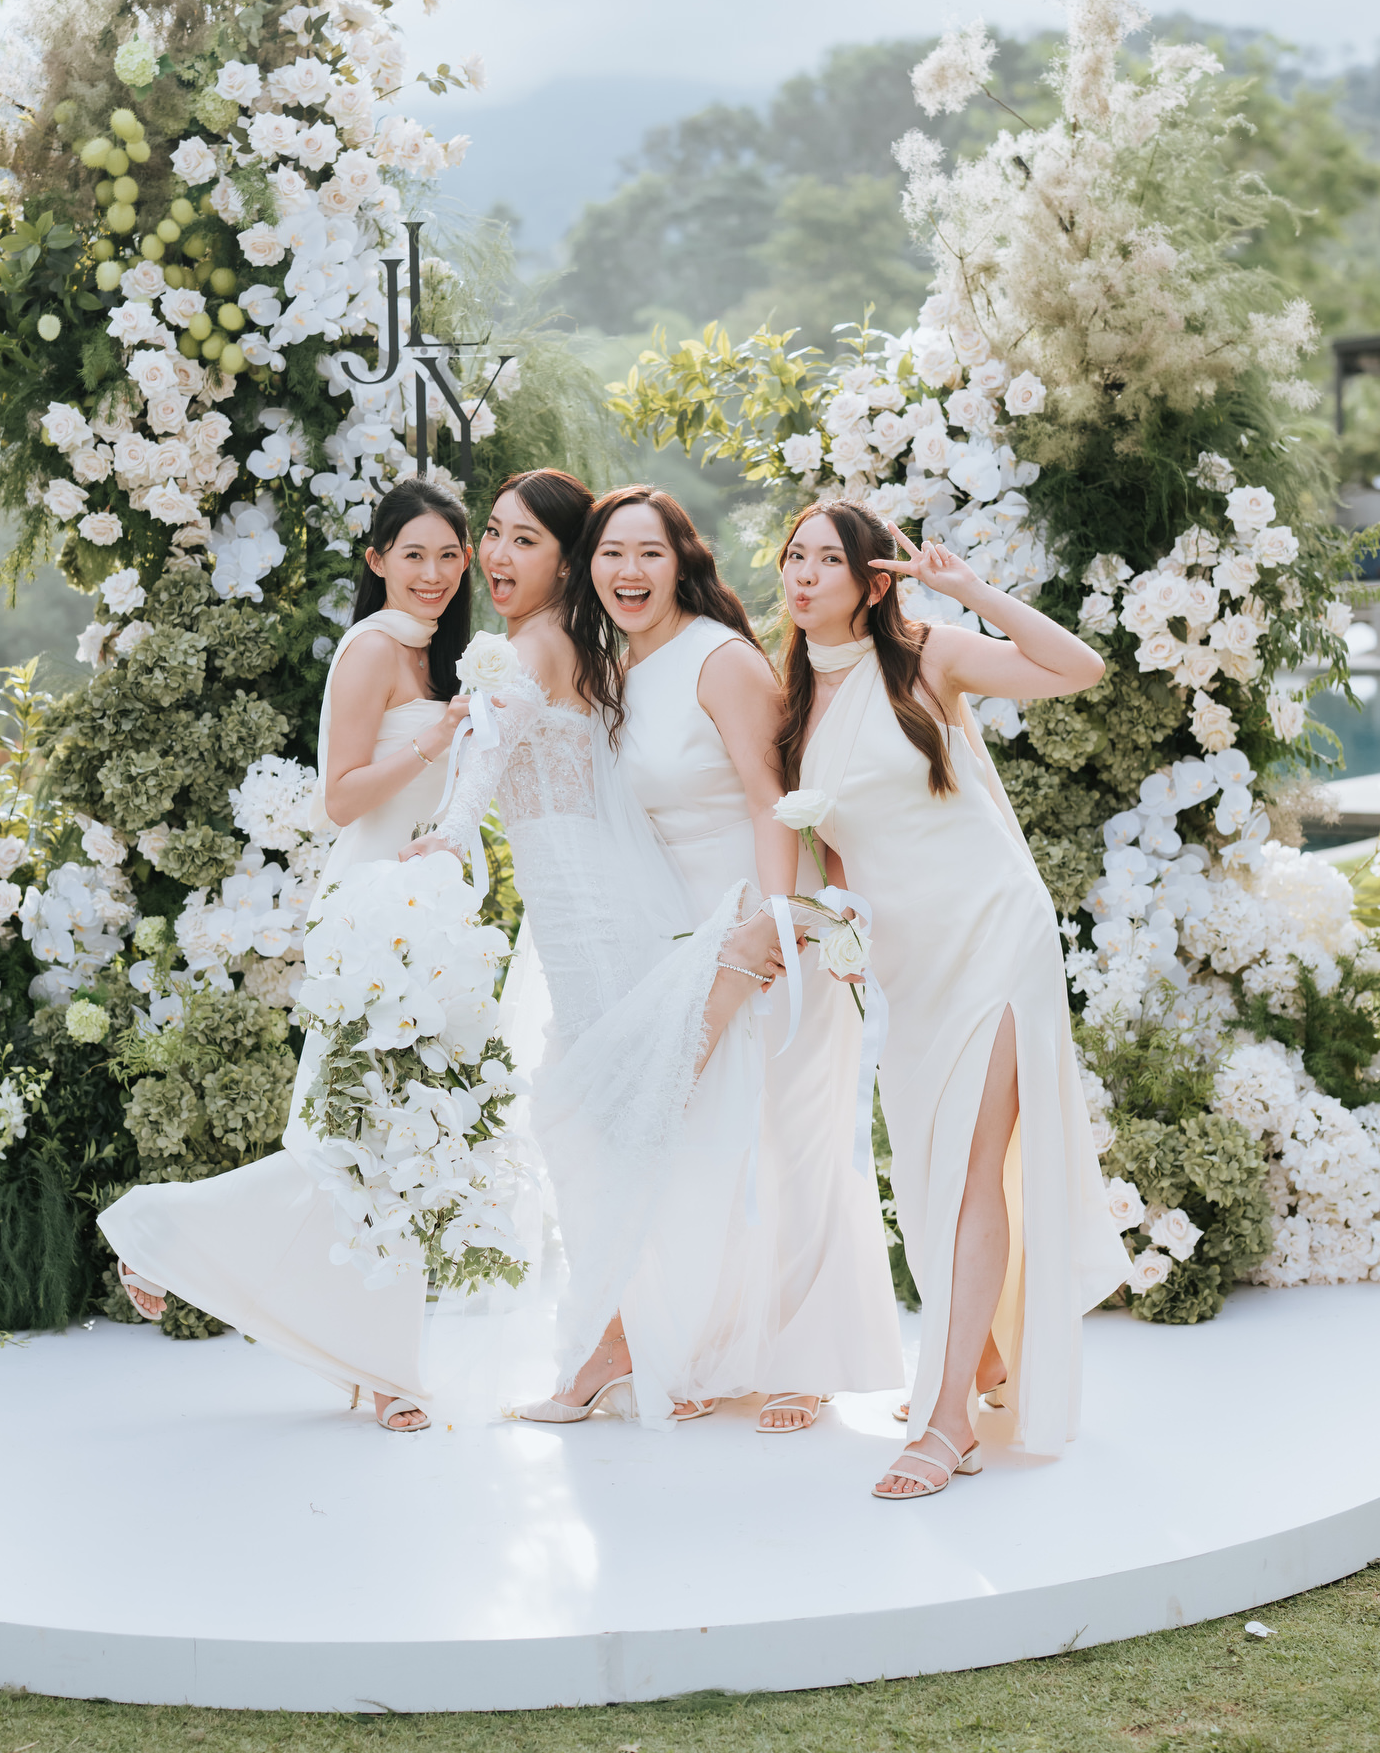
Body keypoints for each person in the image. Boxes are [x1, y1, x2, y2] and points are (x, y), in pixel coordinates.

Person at [404, 469, 794, 1428]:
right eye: (494, 533)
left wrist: (449, 836)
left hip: (594, 908)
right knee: (598, 1119)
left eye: (525, 539)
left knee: (598, 1117)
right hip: (581, 907)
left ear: (563, 561)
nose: (497, 554)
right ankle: (629, 1340)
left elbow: (486, 755)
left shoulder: (537, 648)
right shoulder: (595, 648)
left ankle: (620, 1347)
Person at [98, 477, 474, 1433]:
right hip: (368, 911)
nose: (433, 573)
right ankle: (163, 1228)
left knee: (391, 1138)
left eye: (448, 555)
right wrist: (436, 742)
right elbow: (339, 799)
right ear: (377, 560)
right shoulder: (374, 648)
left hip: (421, 912)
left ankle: (372, 1361)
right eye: (414, 555)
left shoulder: (440, 655)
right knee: (355, 1136)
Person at [776, 500, 1130, 1497]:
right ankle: (980, 1358)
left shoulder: (928, 655)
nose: (803, 575)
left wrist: (971, 592)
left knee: (971, 1168)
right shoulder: (791, 698)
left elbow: (1077, 669)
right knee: (927, 1171)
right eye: (794, 557)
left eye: (827, 560)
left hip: (992, 932)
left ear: (871, 581)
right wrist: (839, 931)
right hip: (905, 964)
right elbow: (833, 845)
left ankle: (946, 1424)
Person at [567, 485, 904, 1433]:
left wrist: (773, 923)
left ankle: (811, 1361)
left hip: (768, 918)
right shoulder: (622, 669)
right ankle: (716, 1344)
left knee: (797, 1139)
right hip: (685, 936)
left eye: (650, 552)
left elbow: (775, 799)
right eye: (611, 553)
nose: (629, 571)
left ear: (684, 562)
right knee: (717, 1142)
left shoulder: (721, 660)